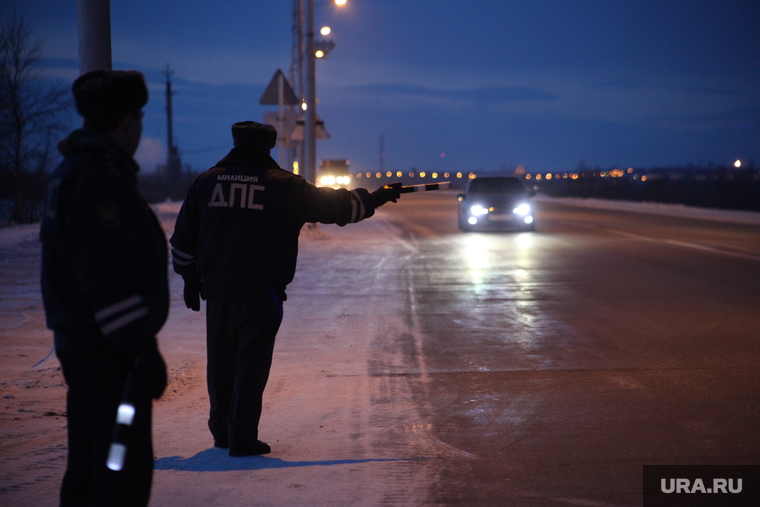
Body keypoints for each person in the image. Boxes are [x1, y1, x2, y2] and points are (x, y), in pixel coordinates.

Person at [170, 121, 402, 457]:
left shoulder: (206, 183)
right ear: (269, 146)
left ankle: (222, 432)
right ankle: (242, 437)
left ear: (235, 142)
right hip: (261, 291)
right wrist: (375, 198)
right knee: (251, 363)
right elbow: (337, 207)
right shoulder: (284, 186)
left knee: (221, 364)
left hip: (218, 291)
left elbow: (183, 239)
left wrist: (190, 279)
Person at [40, 70, 169, 507]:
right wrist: (139, 348)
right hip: (109, 357)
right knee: (120, 468)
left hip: (88, 348)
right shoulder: (101, 179)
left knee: (92, 463)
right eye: (139, 118)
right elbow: (105, 276)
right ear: (128, 121)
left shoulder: (72, 169)